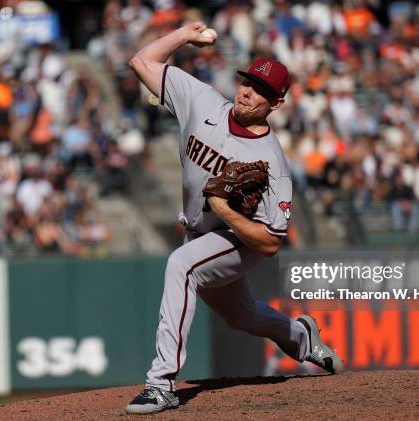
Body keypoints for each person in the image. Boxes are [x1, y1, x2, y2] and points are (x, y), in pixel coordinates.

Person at [125, 22, 343, 415]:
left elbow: (271, 242)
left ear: (275, 104)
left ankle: (161, 385)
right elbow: (141, 61)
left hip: (241, 238)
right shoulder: (203, 101)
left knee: (182, 267)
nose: (248, 92)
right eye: (247, 82)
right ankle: (301, 337)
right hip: (199, 232)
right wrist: (182, 35)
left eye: (261, 91)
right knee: (239, 316)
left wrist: (225, 211)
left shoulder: (272, 164)